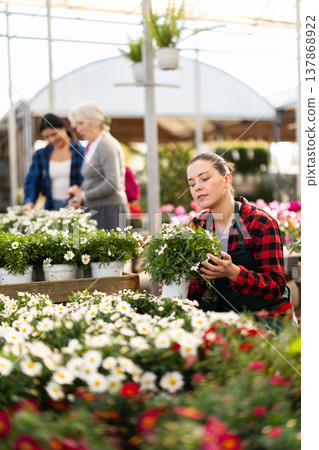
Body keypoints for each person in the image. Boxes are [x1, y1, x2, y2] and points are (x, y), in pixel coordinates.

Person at [186, 152, 294, 319]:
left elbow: (276, 287)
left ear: (227, 180)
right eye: (191, 184)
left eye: (205, 179)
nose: (197, 187)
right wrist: (177, 285)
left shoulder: (260, 222)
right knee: (176, 313)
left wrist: (233, 273)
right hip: (226, 311)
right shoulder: (197, 226)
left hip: (268, 314)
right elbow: (198, 283)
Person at [67, 102, 129, 230]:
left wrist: (84, 194)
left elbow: (112, 183)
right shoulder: (92, 144)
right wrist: (79, 197)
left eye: (80, 123)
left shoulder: (105, 144)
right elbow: (93, 179)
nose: (78, 130)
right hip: (98, 209)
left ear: (95, 121)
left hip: (109, 211)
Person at [23, 113, 84, 210]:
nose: (51, 139)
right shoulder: (41, 155)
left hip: (77, 206)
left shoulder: (81, 151)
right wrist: (29, 201)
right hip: (52, 206)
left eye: (54, 134)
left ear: (64, 128)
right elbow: (32, 181)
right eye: (46, 137)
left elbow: (89, 181)